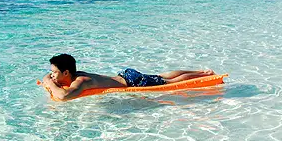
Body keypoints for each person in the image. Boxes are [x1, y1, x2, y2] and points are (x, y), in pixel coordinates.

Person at [41, 53, 215, 101]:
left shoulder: (81, 81)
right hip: (124, 75)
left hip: (132, 81)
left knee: (167, 81)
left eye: (54, 72)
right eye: (51, 72)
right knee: (160, 76)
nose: (51, 75)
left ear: (66, 73)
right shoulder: (73, 75)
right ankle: (200, 71)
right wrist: (50, 80)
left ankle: (202, 74)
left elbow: (64, 97)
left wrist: (48, 82)